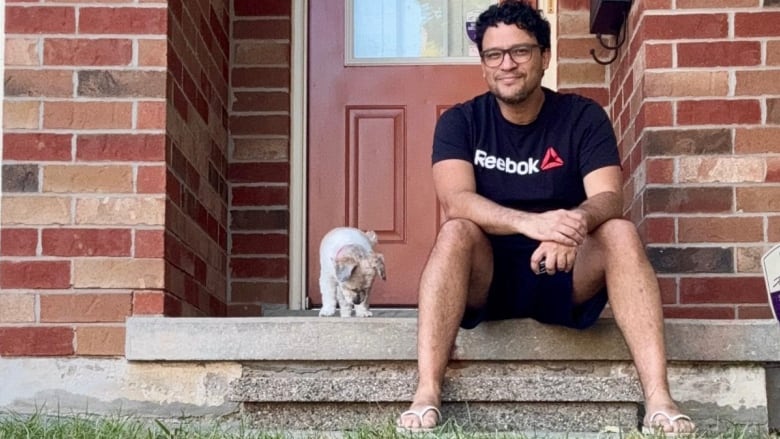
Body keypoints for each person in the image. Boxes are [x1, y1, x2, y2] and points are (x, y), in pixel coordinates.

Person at [396, 0, 696, 434]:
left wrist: (570, 226)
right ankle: (426, 392)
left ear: (544, 57)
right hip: (488, 277)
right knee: (455, 231)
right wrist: (532, 223)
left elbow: (609, 198)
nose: (507, 65)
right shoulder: (461, 122)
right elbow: (456, 200)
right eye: (494, 54)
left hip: (564, 271)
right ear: (483, 64)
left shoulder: (582, 117)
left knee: (620, 232)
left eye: (520, 51)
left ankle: (660, 400)